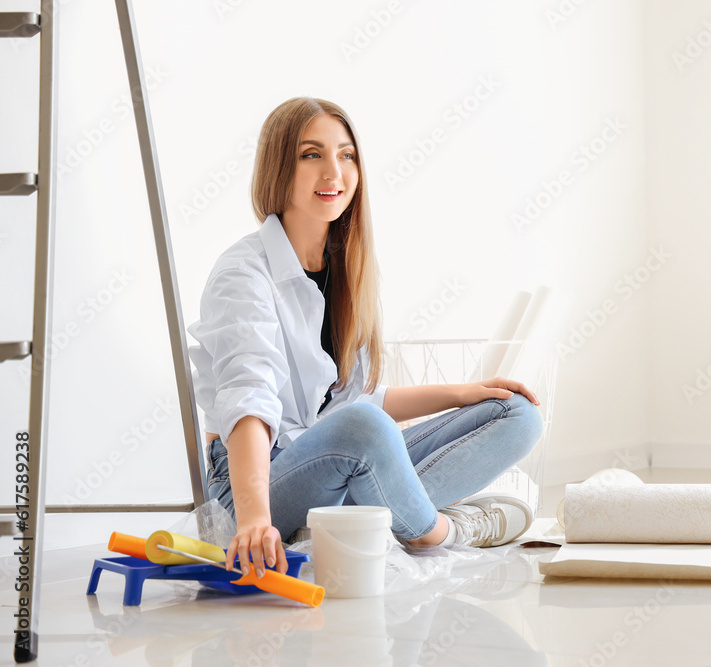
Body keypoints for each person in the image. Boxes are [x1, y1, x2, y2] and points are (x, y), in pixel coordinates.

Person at [187, 97, 545, 579]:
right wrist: (254, 521)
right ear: (278, 167)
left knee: (516, 413)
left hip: (337, 464)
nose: (334, 171)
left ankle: (354, 521)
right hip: (257, 486)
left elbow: (355, 402)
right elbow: (248, 399)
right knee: (365, 431)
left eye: (347, 155)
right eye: (311, 154)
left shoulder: (346, 268)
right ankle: (439, 531)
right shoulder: (243, 273)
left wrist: (464, 392)